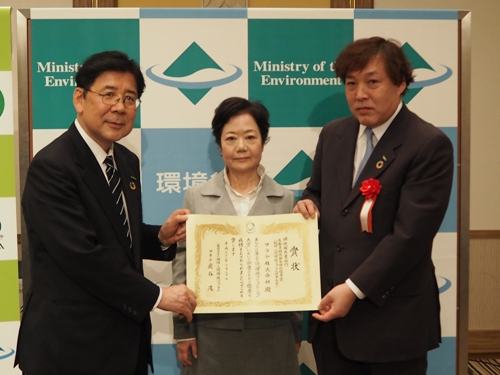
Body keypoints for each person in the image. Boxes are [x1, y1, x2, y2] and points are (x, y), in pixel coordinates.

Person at [15, 51, 197, 375]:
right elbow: (82, 255)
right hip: (70, 348)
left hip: (124, 344)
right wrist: (157, 295)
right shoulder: (53, 166)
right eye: (109, 94)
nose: (119, 107)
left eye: (130, 98)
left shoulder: (125, 161)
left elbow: (114, 234)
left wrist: (159, 237)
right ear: (80, 98)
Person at [293, 37, 454, 374]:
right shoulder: (334, 134)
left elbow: (410, 236)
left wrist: (352, 289)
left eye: (372, 82)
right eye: (351, 84)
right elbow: (317, 192)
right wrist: (308, 204)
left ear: (401, 84)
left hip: (391, 321)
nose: (359, 94)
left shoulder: (427, 144)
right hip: (331, 320)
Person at [172, 97, 302, 375]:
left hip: (272, 332)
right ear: (219, 146)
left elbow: (293, 272)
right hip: (211, 335)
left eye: (250, 137)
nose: (241, 147)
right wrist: (183, 331)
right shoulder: (196, 197)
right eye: (231, 138)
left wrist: (295, 330)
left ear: (263, 142)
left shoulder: (285, 199)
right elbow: (181, 266)